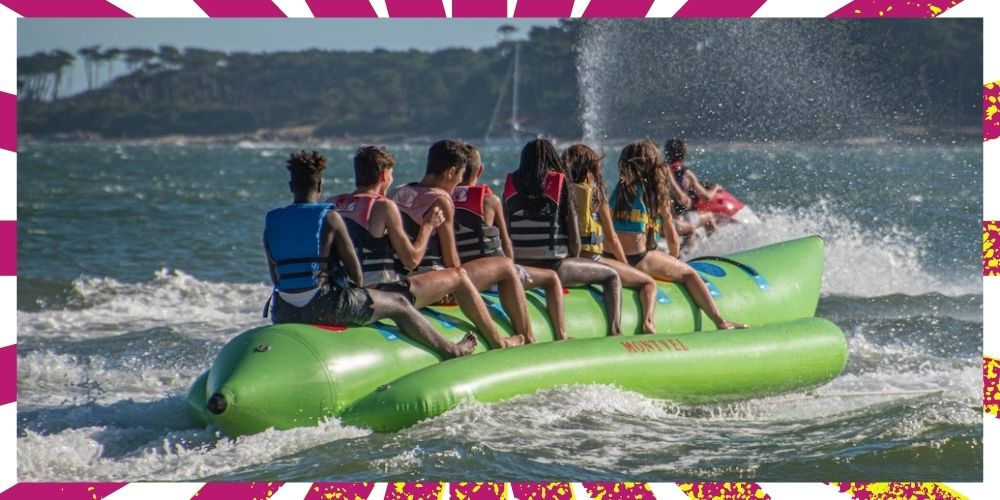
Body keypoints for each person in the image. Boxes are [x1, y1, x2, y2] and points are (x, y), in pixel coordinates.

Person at [263, 150, 477, 358]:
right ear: (320, 185)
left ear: (291, 186)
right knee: (400, 304)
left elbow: (276, 277)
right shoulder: (328, 217)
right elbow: (355, 274)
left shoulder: (271, 221)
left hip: (282, 310)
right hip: (324, 306)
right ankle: (452, 350)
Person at [328, 145, 526, 349]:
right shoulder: (396, 205)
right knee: (462, 274)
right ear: (383, 175)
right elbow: (427, 260)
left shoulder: (336, 203)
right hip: (386, 292)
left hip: (348, 292)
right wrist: (428, 226)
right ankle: (500, 341)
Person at [390, 140, 537, 344]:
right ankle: (525, 338)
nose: (458, 184)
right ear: (450, 172)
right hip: (433, 286)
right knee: (505, 265)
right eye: (459, 176)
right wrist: (467, 287)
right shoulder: (441, 199)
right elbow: (451, 261)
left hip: (402, 280)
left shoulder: (398, 192)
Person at [610, 140, 746, 331]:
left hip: (612, 257)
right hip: (638, 259)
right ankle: (721, 321)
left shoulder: (619, 189)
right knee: (690, 274)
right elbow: (672, 238)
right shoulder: (653, 192)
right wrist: (675, 258)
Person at [504, 139, 624, 337]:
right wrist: (573, 256)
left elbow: (505, 228)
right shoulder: (559, 184)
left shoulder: (511, 185)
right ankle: (615, 331)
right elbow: (574, 238)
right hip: (554, 267)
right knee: (612, 276)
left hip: (521, 268)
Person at [452, 142, 569, 340]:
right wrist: (513, 268)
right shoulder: (489, 201)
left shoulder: (446, 199)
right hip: (496, 276)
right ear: (480, 171)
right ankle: (560, 335)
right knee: (551, 278)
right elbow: (506, 242)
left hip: (468, 275)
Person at [562, 144, 658, 334]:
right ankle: (626, 327)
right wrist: (626, 266)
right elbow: (613, 239)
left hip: (567, 261)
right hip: (592, 260)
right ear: (591, 169)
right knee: (647, 282)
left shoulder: (561, 193)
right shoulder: (597, 196)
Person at [664, 138, 718, 240]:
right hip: (681, 219)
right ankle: (716, 248)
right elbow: (706, 197)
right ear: (683, 154)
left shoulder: (659, 171)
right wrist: (715, 188)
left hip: (662, 219)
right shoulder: (686, 173)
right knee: (709, 216)